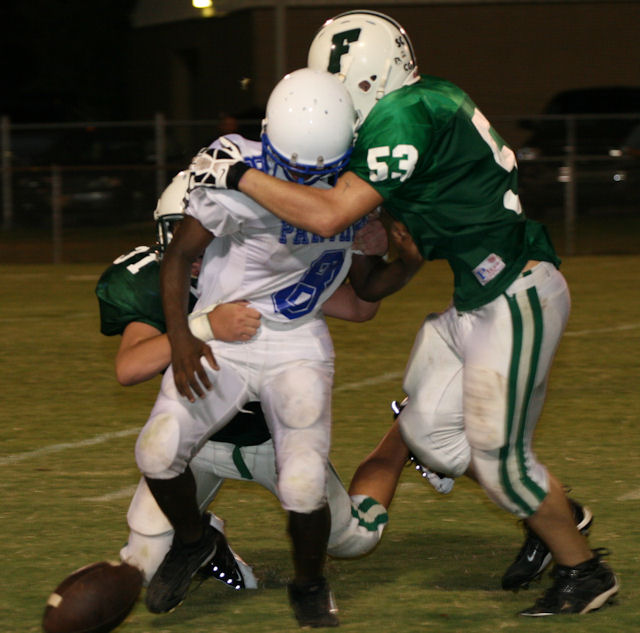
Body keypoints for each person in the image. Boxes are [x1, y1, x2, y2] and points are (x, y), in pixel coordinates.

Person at [192, 11, 619, 617]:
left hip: (517, 294)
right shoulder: (422, 104)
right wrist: (388, 234)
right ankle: (554, 514)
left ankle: (585, 570)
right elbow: (395, 222)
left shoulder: (402, 115)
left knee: (501, 460)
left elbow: (328, 214)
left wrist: (237, 174)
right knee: (430, 437)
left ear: (364, 81)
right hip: (478, 297)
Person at [132, 67, 414, 628]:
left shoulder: (356, 181)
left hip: (297, 341)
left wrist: (407, 261)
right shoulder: (236, 167)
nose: (309, 183)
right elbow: (177, 256)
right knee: (156, 452)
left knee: (304, 482)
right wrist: (186, 336)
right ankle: (194, 543)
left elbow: (366, 288)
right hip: (230, 338)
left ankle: (309, 585)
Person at [96, 168, 412, 599]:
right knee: (147, 563)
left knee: (355, 541)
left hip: (274, 442)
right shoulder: (153, 280)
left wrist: (362, 247)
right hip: (201, 442)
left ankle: (402, 437)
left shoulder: (264, 266)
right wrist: (207, 325)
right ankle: (206, 544)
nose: (199, 254)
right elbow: (129, 367)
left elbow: (359, 309)